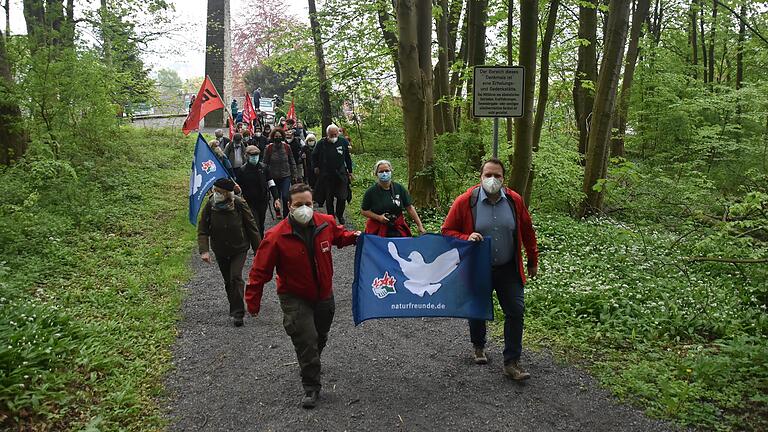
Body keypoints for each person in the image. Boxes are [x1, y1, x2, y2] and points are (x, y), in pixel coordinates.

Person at [244, 183, 361, 409]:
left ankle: (312, 360)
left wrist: (357, 237)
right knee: (305, 339)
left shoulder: (325, 223)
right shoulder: (276, 236)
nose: (304, 208)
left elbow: (340, 236)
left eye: (308, 204)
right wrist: (253, 302)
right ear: (289, 206)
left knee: (320, 335)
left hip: (324, 294)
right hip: (294, 296)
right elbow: (259, 271)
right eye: (299, 204)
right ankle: (311, 386)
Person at [441, 158, 539, 380]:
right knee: (477, 309)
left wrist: (533, 259)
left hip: (508, 267)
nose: (492, 179)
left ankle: (512, 361)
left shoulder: (514, 201)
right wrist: (466, 237)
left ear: (504, 179)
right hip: (478, 268)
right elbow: (447, 231)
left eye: (497, 175)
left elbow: (527, 230)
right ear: (480, 177)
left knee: (515, 310)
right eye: (488, 175)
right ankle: (478, 345)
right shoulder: (466, 201)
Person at [198, 178, 262, 327]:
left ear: (227, 193)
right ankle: (234, 304)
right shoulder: (210, 205)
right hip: (220, 249)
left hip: (239, 248)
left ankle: (238, 313)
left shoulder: (239, 204)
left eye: (219, 192)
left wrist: (259, 250)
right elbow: (203, 229)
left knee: (235, 277)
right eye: (215, 191)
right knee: (228, 281)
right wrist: (204, 250)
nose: (216, 194)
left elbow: (251, 227)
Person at [361, 160, 426, 237]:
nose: (384, 173)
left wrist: (420, 226)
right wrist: (379, 218)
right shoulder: (371, 192)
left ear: (391, 171)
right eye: (381, 171)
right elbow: (364, 211)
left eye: (387, 171)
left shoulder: (399, 188)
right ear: (376, 174)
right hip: (378, 227)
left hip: (397, 225)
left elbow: (409, 207)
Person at [312, 124, 353, 224]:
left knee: (342, 197)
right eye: (331, 135)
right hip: (327, 174)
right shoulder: (321, 143)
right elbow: (314, 155)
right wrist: (316, 167)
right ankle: (331, 217)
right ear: (327, 134)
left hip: (341, 173)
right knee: (328, 198)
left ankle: (340, 214)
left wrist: (350, 172)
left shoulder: (343, 141)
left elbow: (347, 157)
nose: (334, 137)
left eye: (335, 134)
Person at [237, 145, 280, 235]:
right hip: (249, 202)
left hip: (263, 200)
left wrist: (276, 198)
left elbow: (271, 183)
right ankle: (257, 243)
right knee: (255, 222)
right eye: (252, 155)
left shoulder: (264, 168)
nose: (254, 158)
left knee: (261, 222)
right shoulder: (242, 170)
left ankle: (260, 240)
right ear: (247, 156)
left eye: (256, 155)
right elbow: (238, 187)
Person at [263, 128, 298, 217]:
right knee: (276, 196)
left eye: (279, 136)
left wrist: (294, 174)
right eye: (276, 136)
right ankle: (277, 211)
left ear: (282, 136)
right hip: (273, 176)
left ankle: (286, 214)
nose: (278, 138)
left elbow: (292, 160)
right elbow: (265, 163)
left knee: (286, 196)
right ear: (273, 137)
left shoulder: (287, 147)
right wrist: (264, 176)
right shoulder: (269, 148)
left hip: (286, 175)